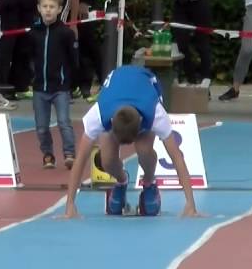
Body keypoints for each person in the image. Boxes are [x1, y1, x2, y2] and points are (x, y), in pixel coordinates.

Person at [63, 66, 201, 218]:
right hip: (116, 94)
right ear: (110, 124)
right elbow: (81, 158)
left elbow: (177, 157)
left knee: (144, 149)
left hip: (146, 89)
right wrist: (70, 205)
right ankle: (121, 181)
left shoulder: (155, 113)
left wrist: (190, 204)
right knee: (107, 160)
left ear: (142, 123)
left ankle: (149, 183)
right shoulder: (98, 115)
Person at [30, 0, 78, 170]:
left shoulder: (66, 34)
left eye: (52, 6)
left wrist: (71, 84)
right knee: (41, 127)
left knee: (64, 122)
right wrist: (31, 76)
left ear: (59, 9)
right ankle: (48, 154)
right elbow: (29, 57)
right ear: (39, 8)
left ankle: (69, 153)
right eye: (45, 6)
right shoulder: (33, 33)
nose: (48, 10)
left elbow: (74, 60)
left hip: (60, 88)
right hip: (39, 88)